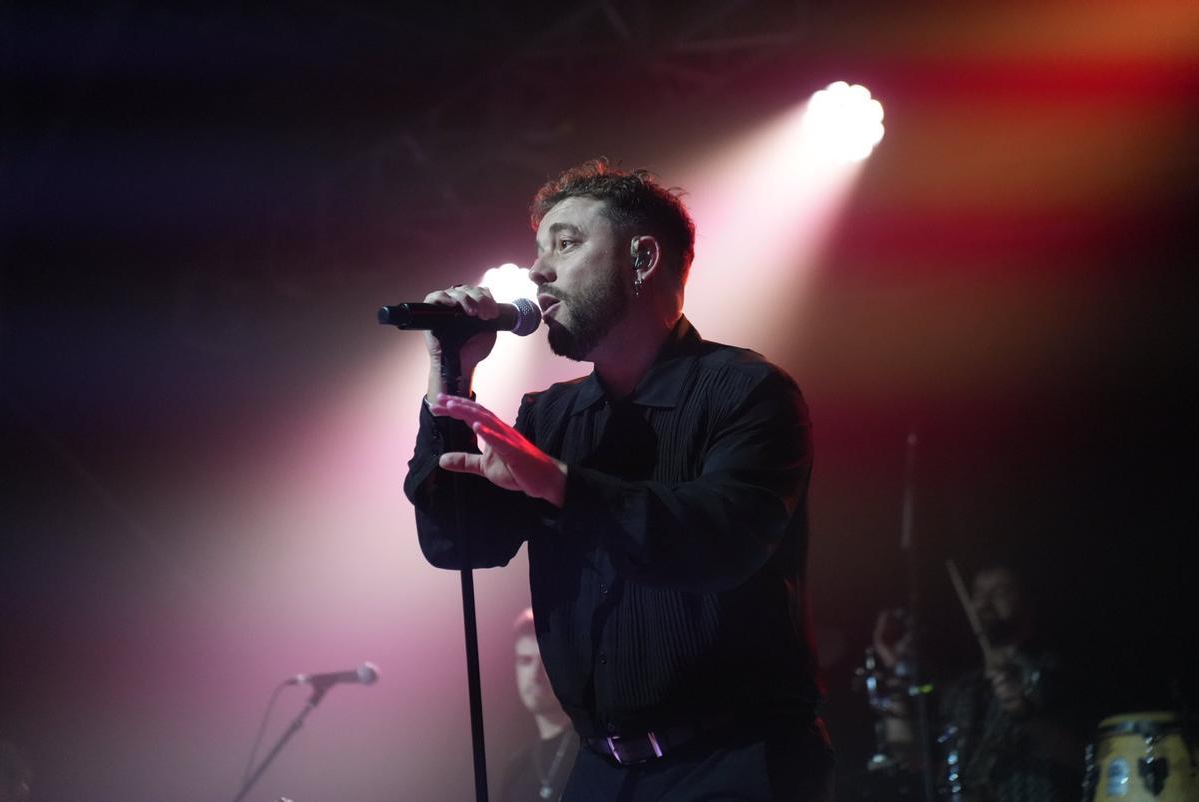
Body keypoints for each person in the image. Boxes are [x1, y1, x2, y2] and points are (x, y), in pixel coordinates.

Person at [404, 159, 832, 801]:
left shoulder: (748, 392)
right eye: (537, 250)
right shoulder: (548, 416)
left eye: (566, 243)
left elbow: (720, 540)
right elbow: (460, 545)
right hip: (602, 772)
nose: (537, 271)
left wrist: (563, 486)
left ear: (642, 258)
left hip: (735, 766)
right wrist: (452, 375)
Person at [871, 564, 1083, 802]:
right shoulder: (964, 688)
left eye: (1000, 591)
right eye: (978, 594)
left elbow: (1084, 755)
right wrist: (897, 673)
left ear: (1030, 601)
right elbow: (910, 757)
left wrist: (1025, 713)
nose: (983, 603)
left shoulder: (1059, 671)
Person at [500, 608, 578, 802]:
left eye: (545, 661)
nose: (536, 675)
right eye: (525, 661)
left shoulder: (595, 752)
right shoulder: (515, 770)